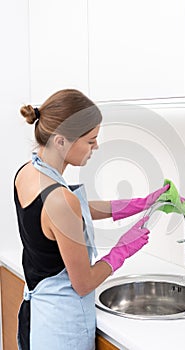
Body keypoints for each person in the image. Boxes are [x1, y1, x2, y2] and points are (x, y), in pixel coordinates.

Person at [14, 89, 169, 350]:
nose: (95, 147)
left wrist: (139, 203)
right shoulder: (61, 200)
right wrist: (122, 250)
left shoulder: (28, 173)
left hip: (38, 319)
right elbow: (83, 283)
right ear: (62, 141)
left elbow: (70, 213)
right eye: (90, 140)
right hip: (61, 330)